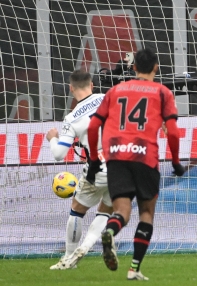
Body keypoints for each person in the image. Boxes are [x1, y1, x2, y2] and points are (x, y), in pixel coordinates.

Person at [87, 48, 185, 280]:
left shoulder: (115, 90)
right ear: (156, 67)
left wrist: (93, 159)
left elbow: (93, 127)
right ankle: (134, 268)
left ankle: (110, 231)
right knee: (147, 213)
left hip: (117, 157)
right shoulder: (163, 93)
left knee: (121, 211)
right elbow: (173, 132)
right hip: (145, 156)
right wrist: (176, 161)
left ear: (133, 68)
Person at [46, 70, 112, 270]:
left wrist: (52, 138)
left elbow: (58, 154)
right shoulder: (108, 98)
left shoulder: (72, 118)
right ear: (92, 85)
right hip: (122, 162)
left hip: (98, 166)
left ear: (70, 89)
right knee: (106, 210)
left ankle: (69, 258)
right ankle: (100, 241)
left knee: (77, 209)